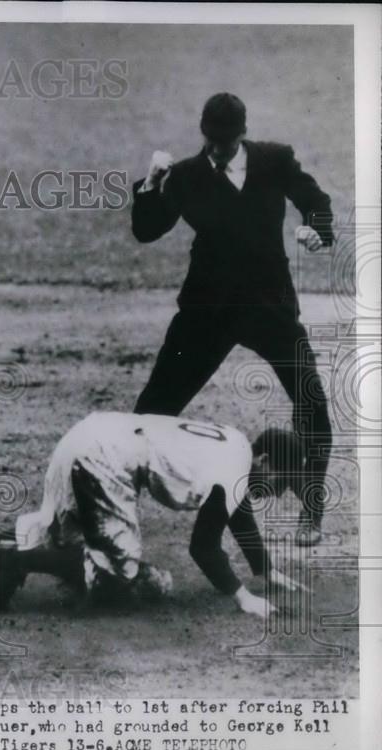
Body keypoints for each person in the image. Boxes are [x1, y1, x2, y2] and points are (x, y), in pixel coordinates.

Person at [130, 93, 333, 546]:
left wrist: (319, 229)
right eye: (210, 140)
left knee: (312, 401)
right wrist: (149, 186)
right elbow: (147, 230)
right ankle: (117, 501)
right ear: (203, 132)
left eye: (225, 141)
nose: (217, 149)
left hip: (268, 306)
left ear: (241, 133)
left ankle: (312, 509)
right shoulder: (185, 175)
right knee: (153, 409)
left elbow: (312, 196)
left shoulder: (274, 160)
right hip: (209, 310)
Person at [0, 412, 306, 616]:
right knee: (118, 573)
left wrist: (265, 568)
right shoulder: (237, 472)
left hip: (88, 433)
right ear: (267, 461)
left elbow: (235, 511)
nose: (278, 491)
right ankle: (15, 559)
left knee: (55, 531)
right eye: (281, 481)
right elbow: (204, 547)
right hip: (106, 458)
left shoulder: (236, 443)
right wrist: (244, 597)